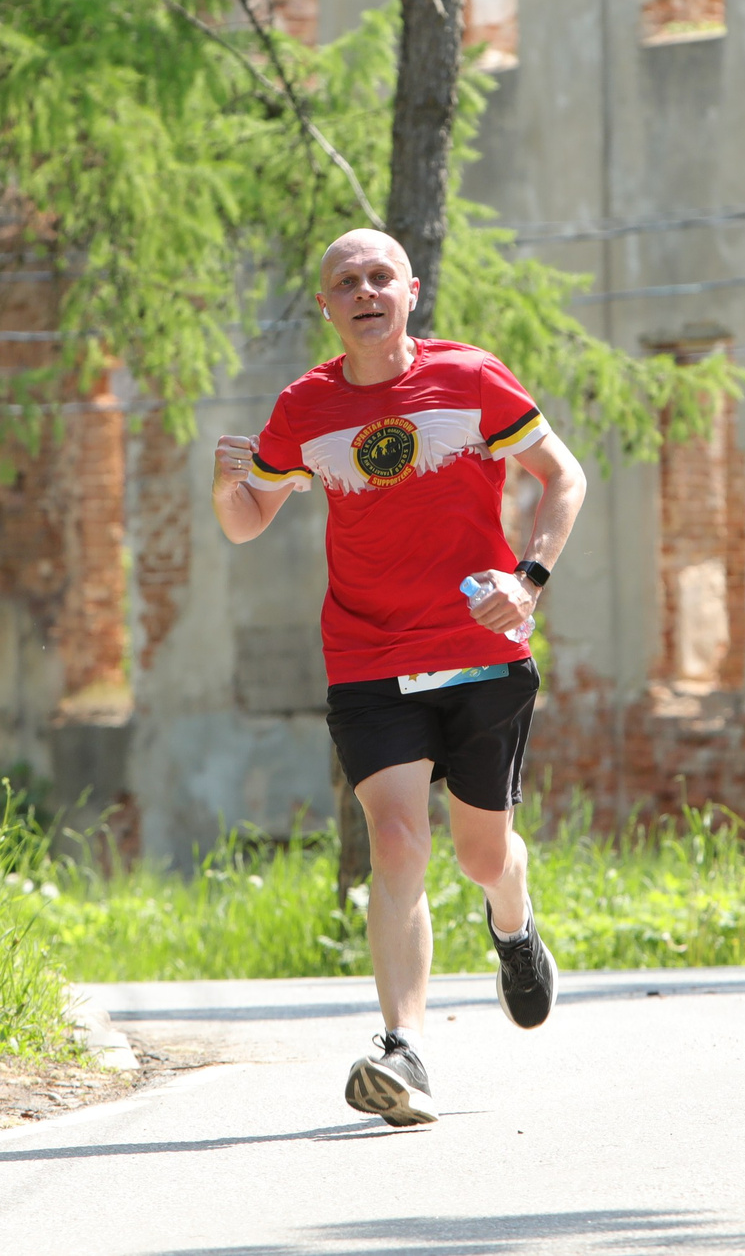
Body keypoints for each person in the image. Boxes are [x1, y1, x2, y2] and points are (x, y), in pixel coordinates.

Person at [210, 228, 588, 1128]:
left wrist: (526, 579)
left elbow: (561, 477)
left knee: (480, 852)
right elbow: (244, 520)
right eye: (347, 281)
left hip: (481, 650)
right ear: (328, 307)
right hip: (369, 656)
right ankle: (403, 1046)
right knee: (395, 841)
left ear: (410, 290)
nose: (366, 290)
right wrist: (230, 484)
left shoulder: (470, 379)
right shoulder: (305, 408)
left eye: (381, 275)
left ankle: (512, 923)